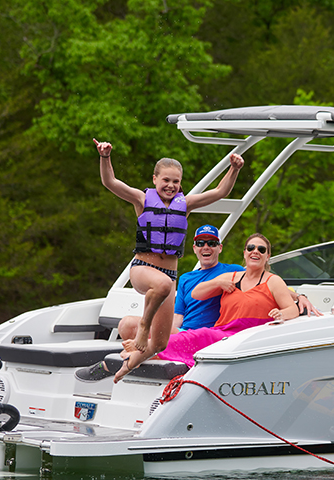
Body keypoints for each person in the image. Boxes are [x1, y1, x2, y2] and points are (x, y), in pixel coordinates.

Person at [93, 138, 243, 371]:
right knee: (162, 285)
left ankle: (114, 368)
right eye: (165, 180)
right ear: (155, 179)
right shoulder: (142, 199)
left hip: (168, 275)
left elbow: (220, 191)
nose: (170, 185)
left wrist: (234, 169)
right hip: (143, 269)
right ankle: (144, 326)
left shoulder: (186, 204)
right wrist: (105, 157)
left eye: (176, 181)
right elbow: (110, 182)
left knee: (160, 344)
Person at [114, 233, 298, 381]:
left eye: (261, 249)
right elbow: (197, 293)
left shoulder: (273, 281)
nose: (255, 251)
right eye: (251, 248)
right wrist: (218, 283)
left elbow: (292, 309)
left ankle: (139, 353)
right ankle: (141, 352)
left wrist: (282, 313)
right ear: (244, 253)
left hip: (244, 336)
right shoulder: (232, 276)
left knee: (202, 334)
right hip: (223, 331)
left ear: (268, 256)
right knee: (190, 334)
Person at [116, 224, 321, 339]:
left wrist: (299, 296)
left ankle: (140, 354)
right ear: (194, 248)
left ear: (219, 248)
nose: (207, 247)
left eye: (212, 243)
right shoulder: (186, 278)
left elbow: (266, 284)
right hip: (183, 328)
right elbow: (178, 317)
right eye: (201, 243)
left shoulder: (234, 272)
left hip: (212, 331)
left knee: (157, 336)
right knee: (127, 325)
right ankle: (140, 363)